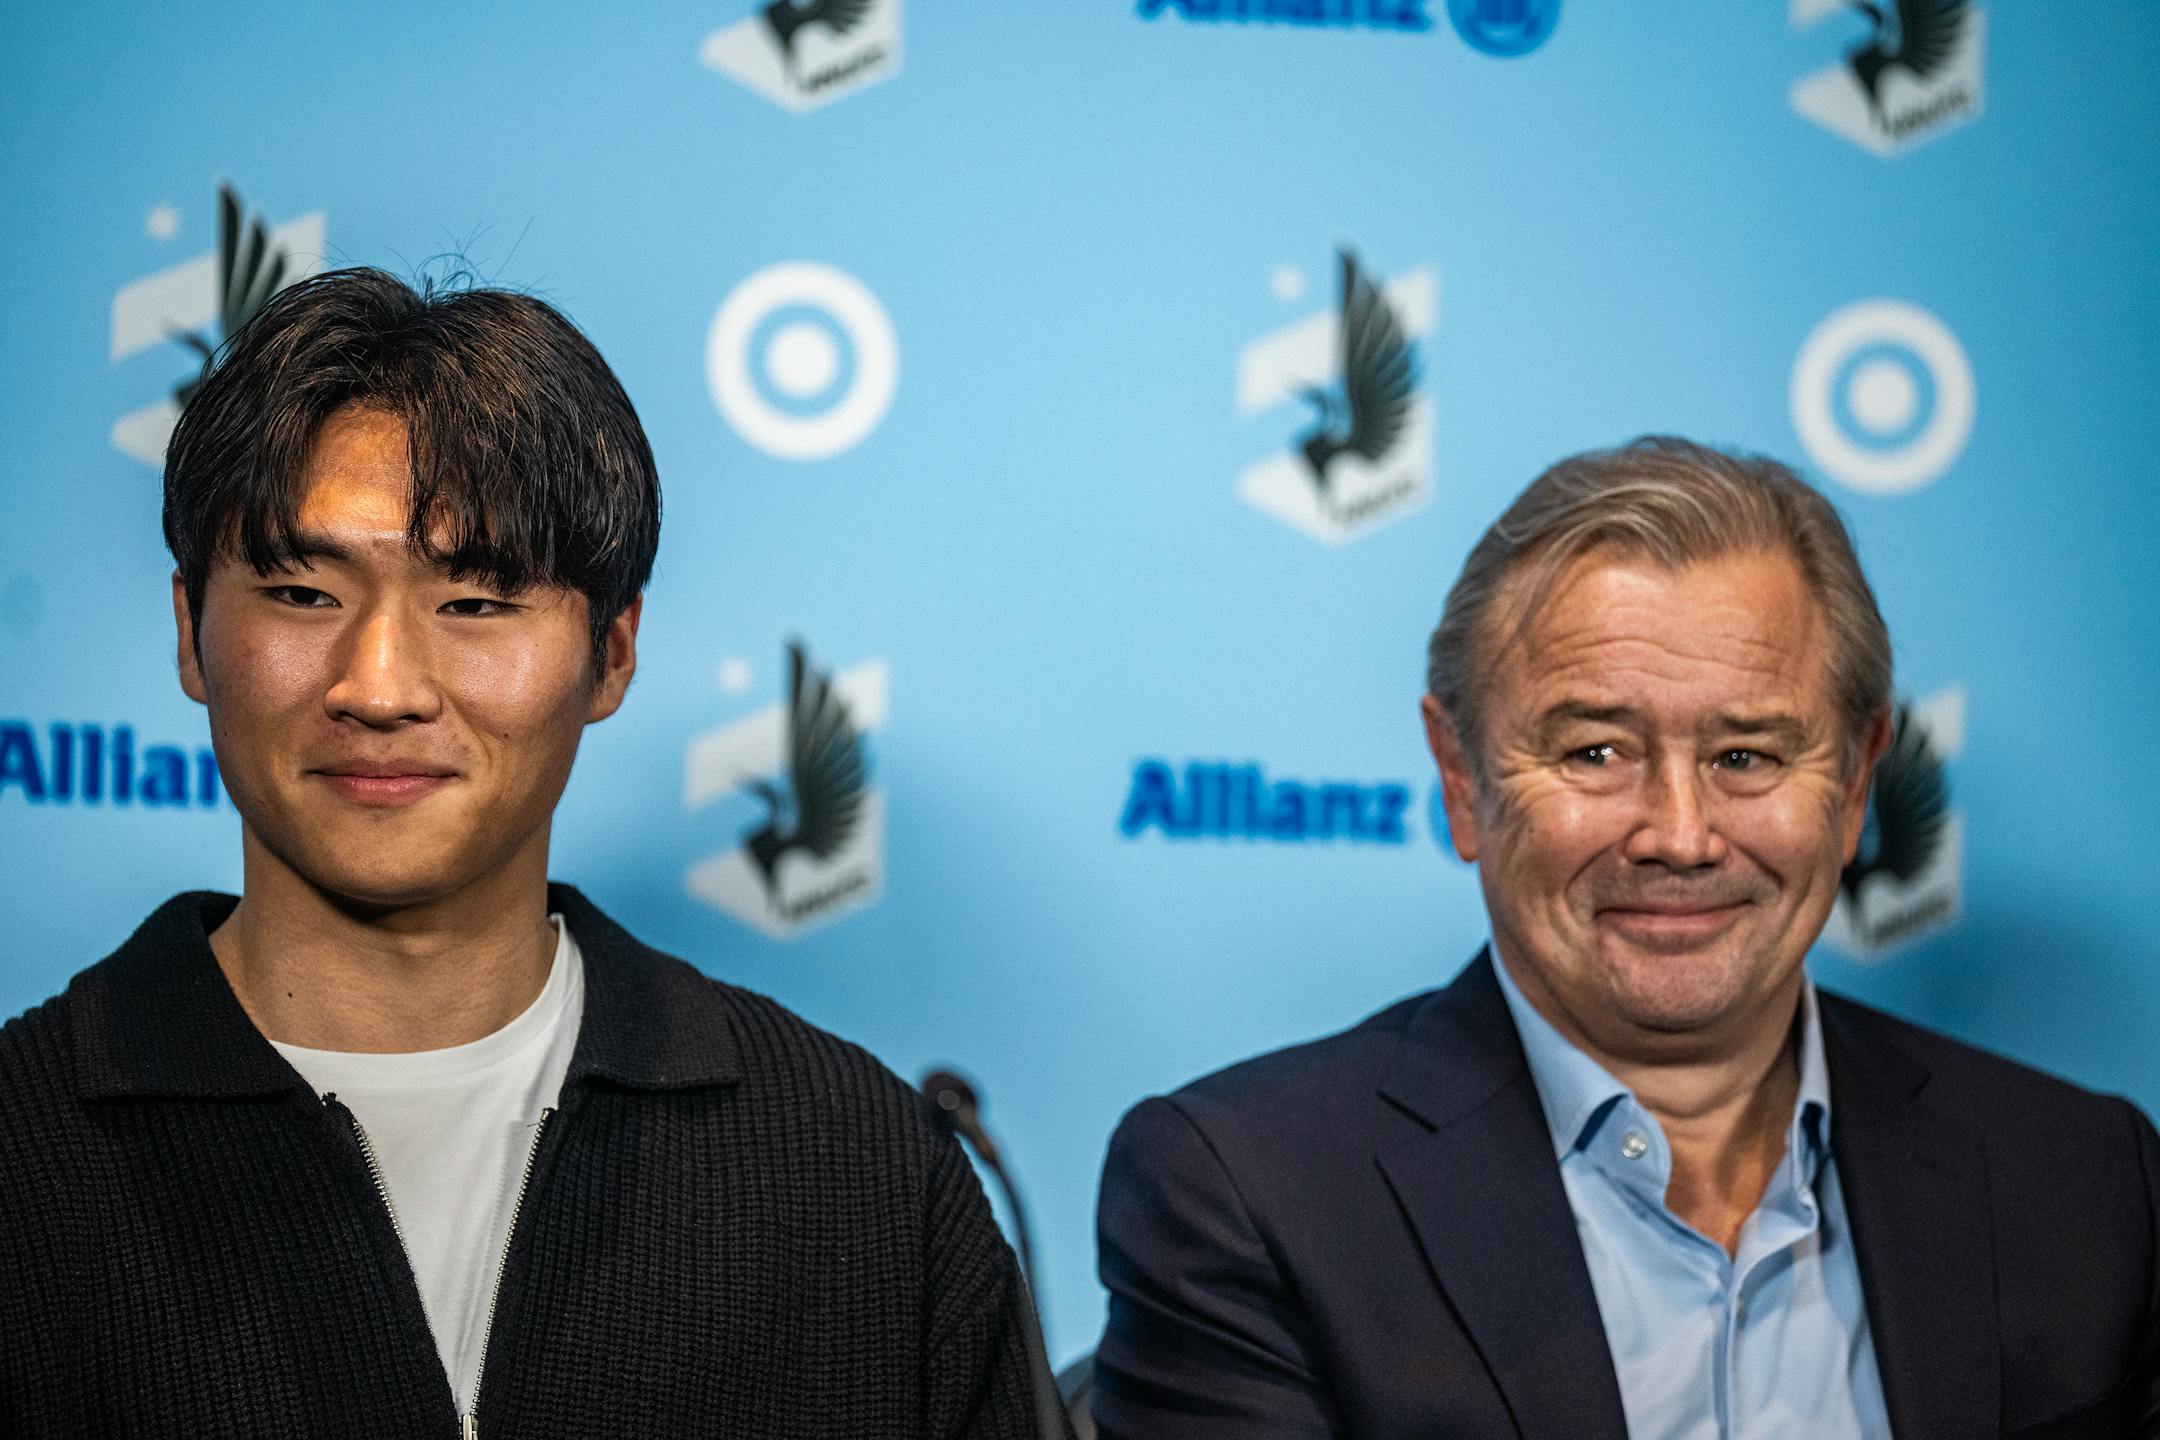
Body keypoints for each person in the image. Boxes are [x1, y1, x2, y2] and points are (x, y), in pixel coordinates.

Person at [0, 268, 1057, 1440]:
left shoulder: (863, 1174)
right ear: (191, 634)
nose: (380, 687)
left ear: (610, 655)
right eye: (301, 593)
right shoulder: (22, 1148)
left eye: (478, 603)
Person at [1092, 437, 2160, 1439]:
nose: (1682, 838)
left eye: (1747, 756)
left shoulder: (2088, 1184)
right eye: (1598, 752)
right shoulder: (1250, 1197)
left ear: (1853, 786)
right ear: (1462, 781)